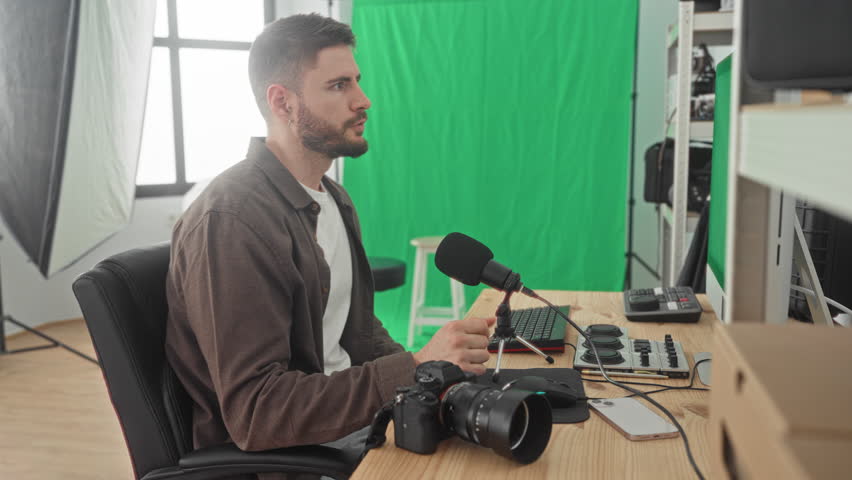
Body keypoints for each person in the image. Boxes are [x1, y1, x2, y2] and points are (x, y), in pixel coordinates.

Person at [164, 13, 495, 478]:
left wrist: (431, 379)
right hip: (291, 459)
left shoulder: (333, 198)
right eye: (339, 86)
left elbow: (359, 332)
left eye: (356, 81)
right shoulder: (232, 220)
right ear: (283, 102)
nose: (364, 101)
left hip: (347, 429)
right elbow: (258, 413)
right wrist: (414, 366)